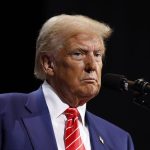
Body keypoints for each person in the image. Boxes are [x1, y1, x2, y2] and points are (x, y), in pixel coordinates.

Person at [0, 14, 134, 150]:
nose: (92, 66)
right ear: (48, 64)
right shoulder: (5, 111)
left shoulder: (120, 141)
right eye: (78, 54)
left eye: (97, 55)